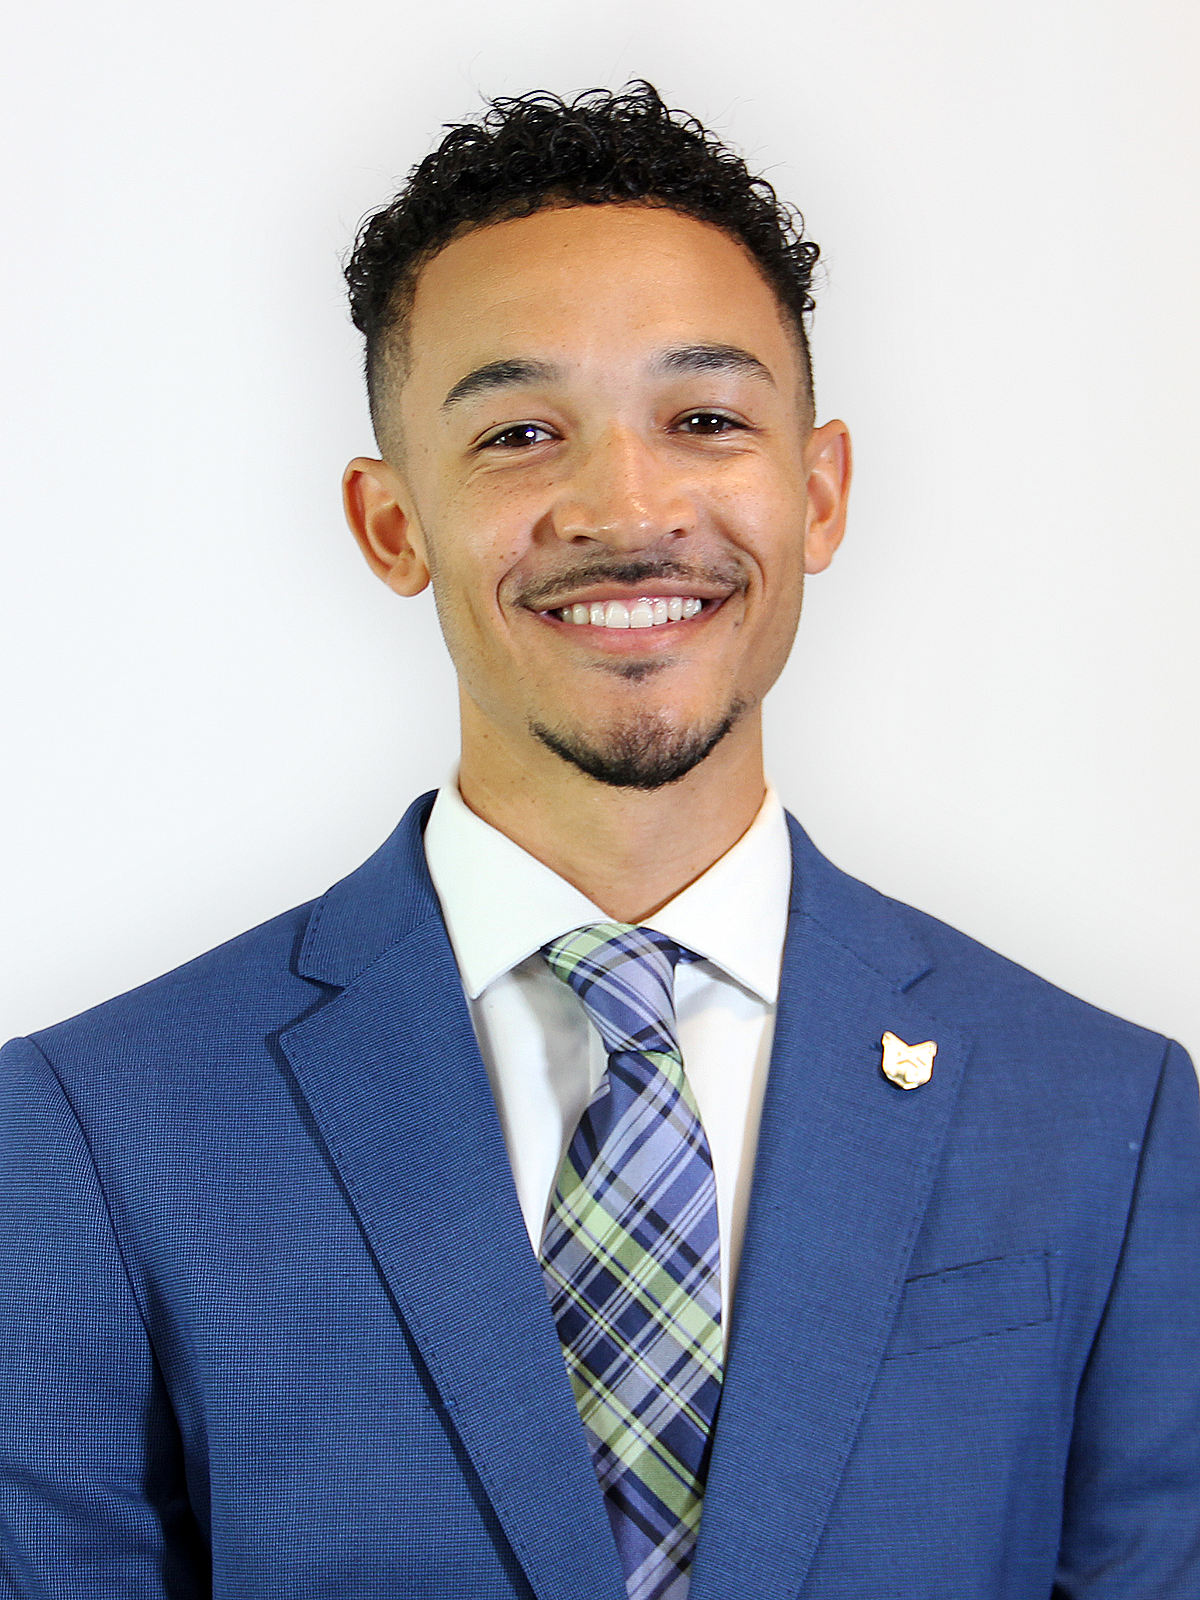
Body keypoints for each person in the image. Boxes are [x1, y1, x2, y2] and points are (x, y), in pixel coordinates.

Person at [1, 82, 1197, 1600]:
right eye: (518, 432)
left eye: (704, 420)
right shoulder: (99, 1128)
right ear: (392, 526)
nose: (626, 507)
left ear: (818, 490)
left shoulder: (1109, 1114)